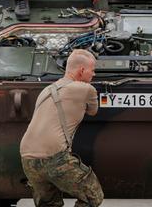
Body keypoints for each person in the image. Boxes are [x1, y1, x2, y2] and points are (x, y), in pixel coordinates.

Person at [20, 49, 103, 206]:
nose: (94, 75)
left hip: (27, 158)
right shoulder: (86, 89)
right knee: (93, 195)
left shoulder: (47, 90)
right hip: (54, 158)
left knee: (49, 204)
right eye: (92, 70)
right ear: (82, 70)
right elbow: (93, 111)